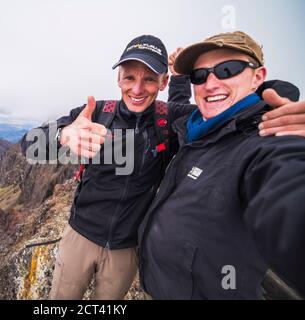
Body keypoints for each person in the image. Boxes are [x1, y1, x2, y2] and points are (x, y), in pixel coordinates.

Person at [21, 34, 303, 300]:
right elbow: (29, 145)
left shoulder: (170, 119)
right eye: (129, 77)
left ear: (164, 82)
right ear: (118, 79)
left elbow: (232, 104)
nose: (137, 88)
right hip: (79, 236)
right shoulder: (95, 113)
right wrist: (62, 136)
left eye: (149, 79)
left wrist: (271, 92)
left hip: (126, 250)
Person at [138, 31, 305, 300]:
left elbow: (288, 193)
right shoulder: (198, 128)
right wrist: (179, 79)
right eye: (199, 76)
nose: (210, 83)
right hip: (159, 285)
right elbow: (180, 104)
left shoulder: (265, 142)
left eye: (228, 69)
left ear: (258, 78)